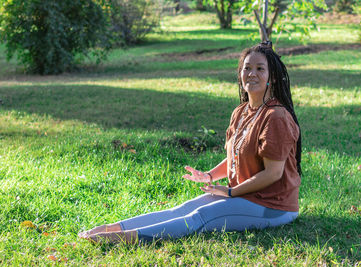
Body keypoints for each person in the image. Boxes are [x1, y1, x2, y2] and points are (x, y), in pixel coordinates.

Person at [78, 41, 302, 244]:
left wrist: (232, 192)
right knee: (184, 208)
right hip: (246, 196)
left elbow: (273, 173)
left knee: (200, 217)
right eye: (247, 68)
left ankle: (121, 239)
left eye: (260, 69)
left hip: (273, 206)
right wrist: (210, 175)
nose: (251, 74)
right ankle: (112, 228)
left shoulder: (276, 117)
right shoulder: (241, 112)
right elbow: (237, 157)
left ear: (272, 77)